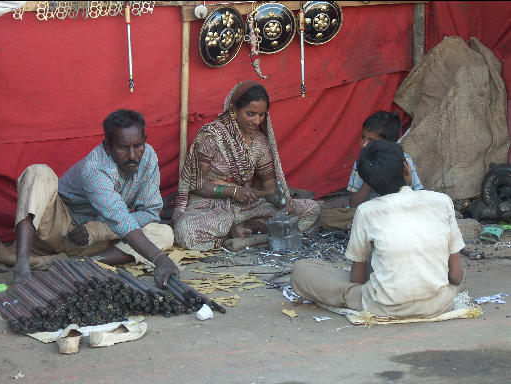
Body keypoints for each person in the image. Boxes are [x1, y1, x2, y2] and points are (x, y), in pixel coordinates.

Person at [1, 109, 178, 286]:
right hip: (58, 228)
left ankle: (80, 263)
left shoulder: (148, 158)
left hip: (95, 241)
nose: (132, 155)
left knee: (163, 234)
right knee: (38, 172)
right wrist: (160, 259)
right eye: (123, 148)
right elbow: (120, 219)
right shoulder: (96, 167)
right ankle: (22, 264)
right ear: (108, 146)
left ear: (145, 141)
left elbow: (150, 212)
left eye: (138, 146)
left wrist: (98, 230)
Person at [291, 140, 465, 318]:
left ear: (369, 182)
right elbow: (456, 277)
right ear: (406, 168)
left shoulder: (366, 211)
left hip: (383, 307)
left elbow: (357, 280)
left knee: (301, 270)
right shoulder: (442, 201)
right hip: (439, 304)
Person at [173, 81, 320, 250]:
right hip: (210, 206)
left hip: (247, 207)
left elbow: (270, 187)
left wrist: (281, 200)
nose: (256, 121)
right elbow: (196, 185)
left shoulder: (260, 143)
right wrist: (232, 191)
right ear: (234, 110)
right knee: (185, 232)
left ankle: (244, 232)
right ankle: (244, 234)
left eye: (262, 115)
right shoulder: (210, 137)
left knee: (311, 209)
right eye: (250, 114)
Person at [320, 111, 423, 230]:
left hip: (398, 211)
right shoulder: (362, 162)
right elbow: (354, 204)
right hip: (369, 212)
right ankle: (375, 226)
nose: (364, 145)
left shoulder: (403, 161)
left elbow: (417, 200)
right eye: (363, 138)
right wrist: (371, 177)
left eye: (372, 141)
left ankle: (371, 228)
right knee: (326, 217)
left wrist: (407, 182)